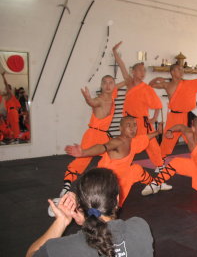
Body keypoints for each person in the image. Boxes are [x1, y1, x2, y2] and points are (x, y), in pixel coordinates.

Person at [26, 168, 154, 257]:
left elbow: (32, 254)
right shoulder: (140, 227)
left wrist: (61, 221)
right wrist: (87, 221)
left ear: (80, 206)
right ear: (117, 199)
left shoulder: (66, 248)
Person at [65, 116, 168, 207]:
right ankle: (70, 204)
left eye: (134, 125)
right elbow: (102, 147)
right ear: (120, 128)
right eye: (128, 125)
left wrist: (157, 132)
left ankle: (154, 184)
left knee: (136, 169)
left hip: (123, 175)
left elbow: (145, 137)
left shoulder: (133, 141)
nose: (133, 129)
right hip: (107, 180)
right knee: (102, 204)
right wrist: (83, 153)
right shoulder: (117, 142)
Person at [56, 75, 125, 206]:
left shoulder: (113, 95)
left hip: (104, 136)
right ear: (101, 85)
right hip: (92, 134)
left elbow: (125, 81)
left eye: (111, 83)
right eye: (105, 83)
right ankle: (66, 187)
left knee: (111, 159)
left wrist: (117, 55)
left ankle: (106, 188)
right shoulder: (99, 100)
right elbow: (92, 103)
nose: (108, 85)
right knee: (81, 161)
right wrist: (87, 98)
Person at [112, 41, 172, 191]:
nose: (143, 73)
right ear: (133, 72)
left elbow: (158, 105)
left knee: (153, 148)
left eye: (144, 70)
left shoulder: (146, 88)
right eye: (140, 70)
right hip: (129, 123)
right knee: (127, 147)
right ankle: (120, 172)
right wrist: (114, 53)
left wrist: (154, 118)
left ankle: (161, 178)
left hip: (143, 123)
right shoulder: (129, 83)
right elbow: (122, 66)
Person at [149, 64, 197, 158]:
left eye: (182, 69)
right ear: (172, 72)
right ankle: (160, 162)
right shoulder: (167, 84)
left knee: (194, 137)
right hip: (174, 117)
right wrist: (157, 78)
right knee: (167, 141)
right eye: (179, 69)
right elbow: (151, 85)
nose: (182, 71)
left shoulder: (189, 83)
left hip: (187, 116)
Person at [1, 71, 21, 139]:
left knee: (15, 126)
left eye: (6, 88)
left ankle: (16, 137)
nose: (5, 89)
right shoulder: (6, 95)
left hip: (13, 111)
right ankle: (13, 138)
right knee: (10, 126)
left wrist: (3, 76)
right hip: (10, 112)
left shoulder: (10, 94)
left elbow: (5, 84)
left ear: (9, 89)